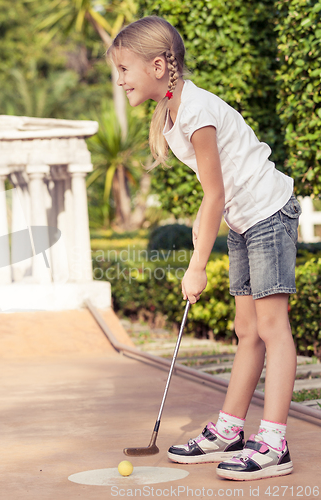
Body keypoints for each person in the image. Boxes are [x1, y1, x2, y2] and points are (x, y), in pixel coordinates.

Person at [107, 16, 301, 481]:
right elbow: (214, 188)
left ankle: (275, 440)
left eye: (125, 70)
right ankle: (230, 430)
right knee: (246, 329)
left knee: (273, 328)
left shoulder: (195, 112)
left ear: (157, 66)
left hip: (268, 212)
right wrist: (201, 222)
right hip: (244, 218)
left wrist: (197, 266)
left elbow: (216, 193)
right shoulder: (174, 114)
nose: (120, 80)